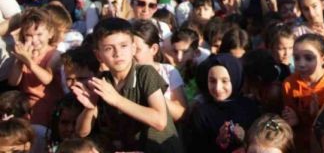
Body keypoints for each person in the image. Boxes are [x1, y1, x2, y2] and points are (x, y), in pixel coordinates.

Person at [72, 17, 182, 152]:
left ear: (133, 48)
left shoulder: (144, 73)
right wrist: (90, 109)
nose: (118, 53)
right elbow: (81, 133)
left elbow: (159, 120)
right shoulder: (103, 82)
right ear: (98, 55)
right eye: (108, 48)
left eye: (123, 46)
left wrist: (117, 100)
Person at [184, 53, 260, 153]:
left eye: (225, 81)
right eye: (212, 81)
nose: (217, 88)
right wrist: (218, 141)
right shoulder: (201, 114)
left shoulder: (249, 107)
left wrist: (244, 137)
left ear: (235, 78)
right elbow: (195, 148)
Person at [282, 34, 324, 153]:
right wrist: (295, 120)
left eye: (308, 58)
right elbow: (290, 120)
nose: (301, 64)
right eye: (296, 58)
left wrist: (317, 116)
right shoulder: (289, 84)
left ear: (323, 58)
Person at [132, 20, 188, 121]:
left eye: (137, 50)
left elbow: (181, 113)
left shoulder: (168, 71)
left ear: (153, 49)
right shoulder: (123, 74)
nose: (132, 54)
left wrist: (152, 94)